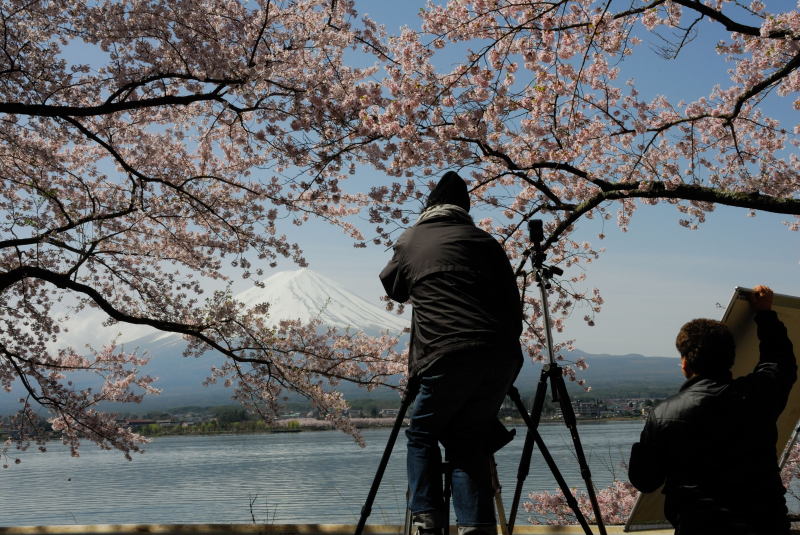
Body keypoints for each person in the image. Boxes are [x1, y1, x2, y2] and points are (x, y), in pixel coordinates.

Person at [379, 171, 523, 535]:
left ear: (430, 206)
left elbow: (394, 287)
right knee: (468, 438)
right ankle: (476, 527)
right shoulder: (486, 241)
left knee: (422, 434)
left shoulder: (412, 239)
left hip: (444, 352)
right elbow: (513, 306)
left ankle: (427, 518)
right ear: (465, 209)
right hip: (500, 355)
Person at [628, 285, 797, 535]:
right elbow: (779, 361)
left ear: (685, 364)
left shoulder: (663, 414)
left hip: (696, 527)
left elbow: (645, 480)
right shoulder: (757, 395)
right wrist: (765, 313)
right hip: (764, 526)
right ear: (731, 358)